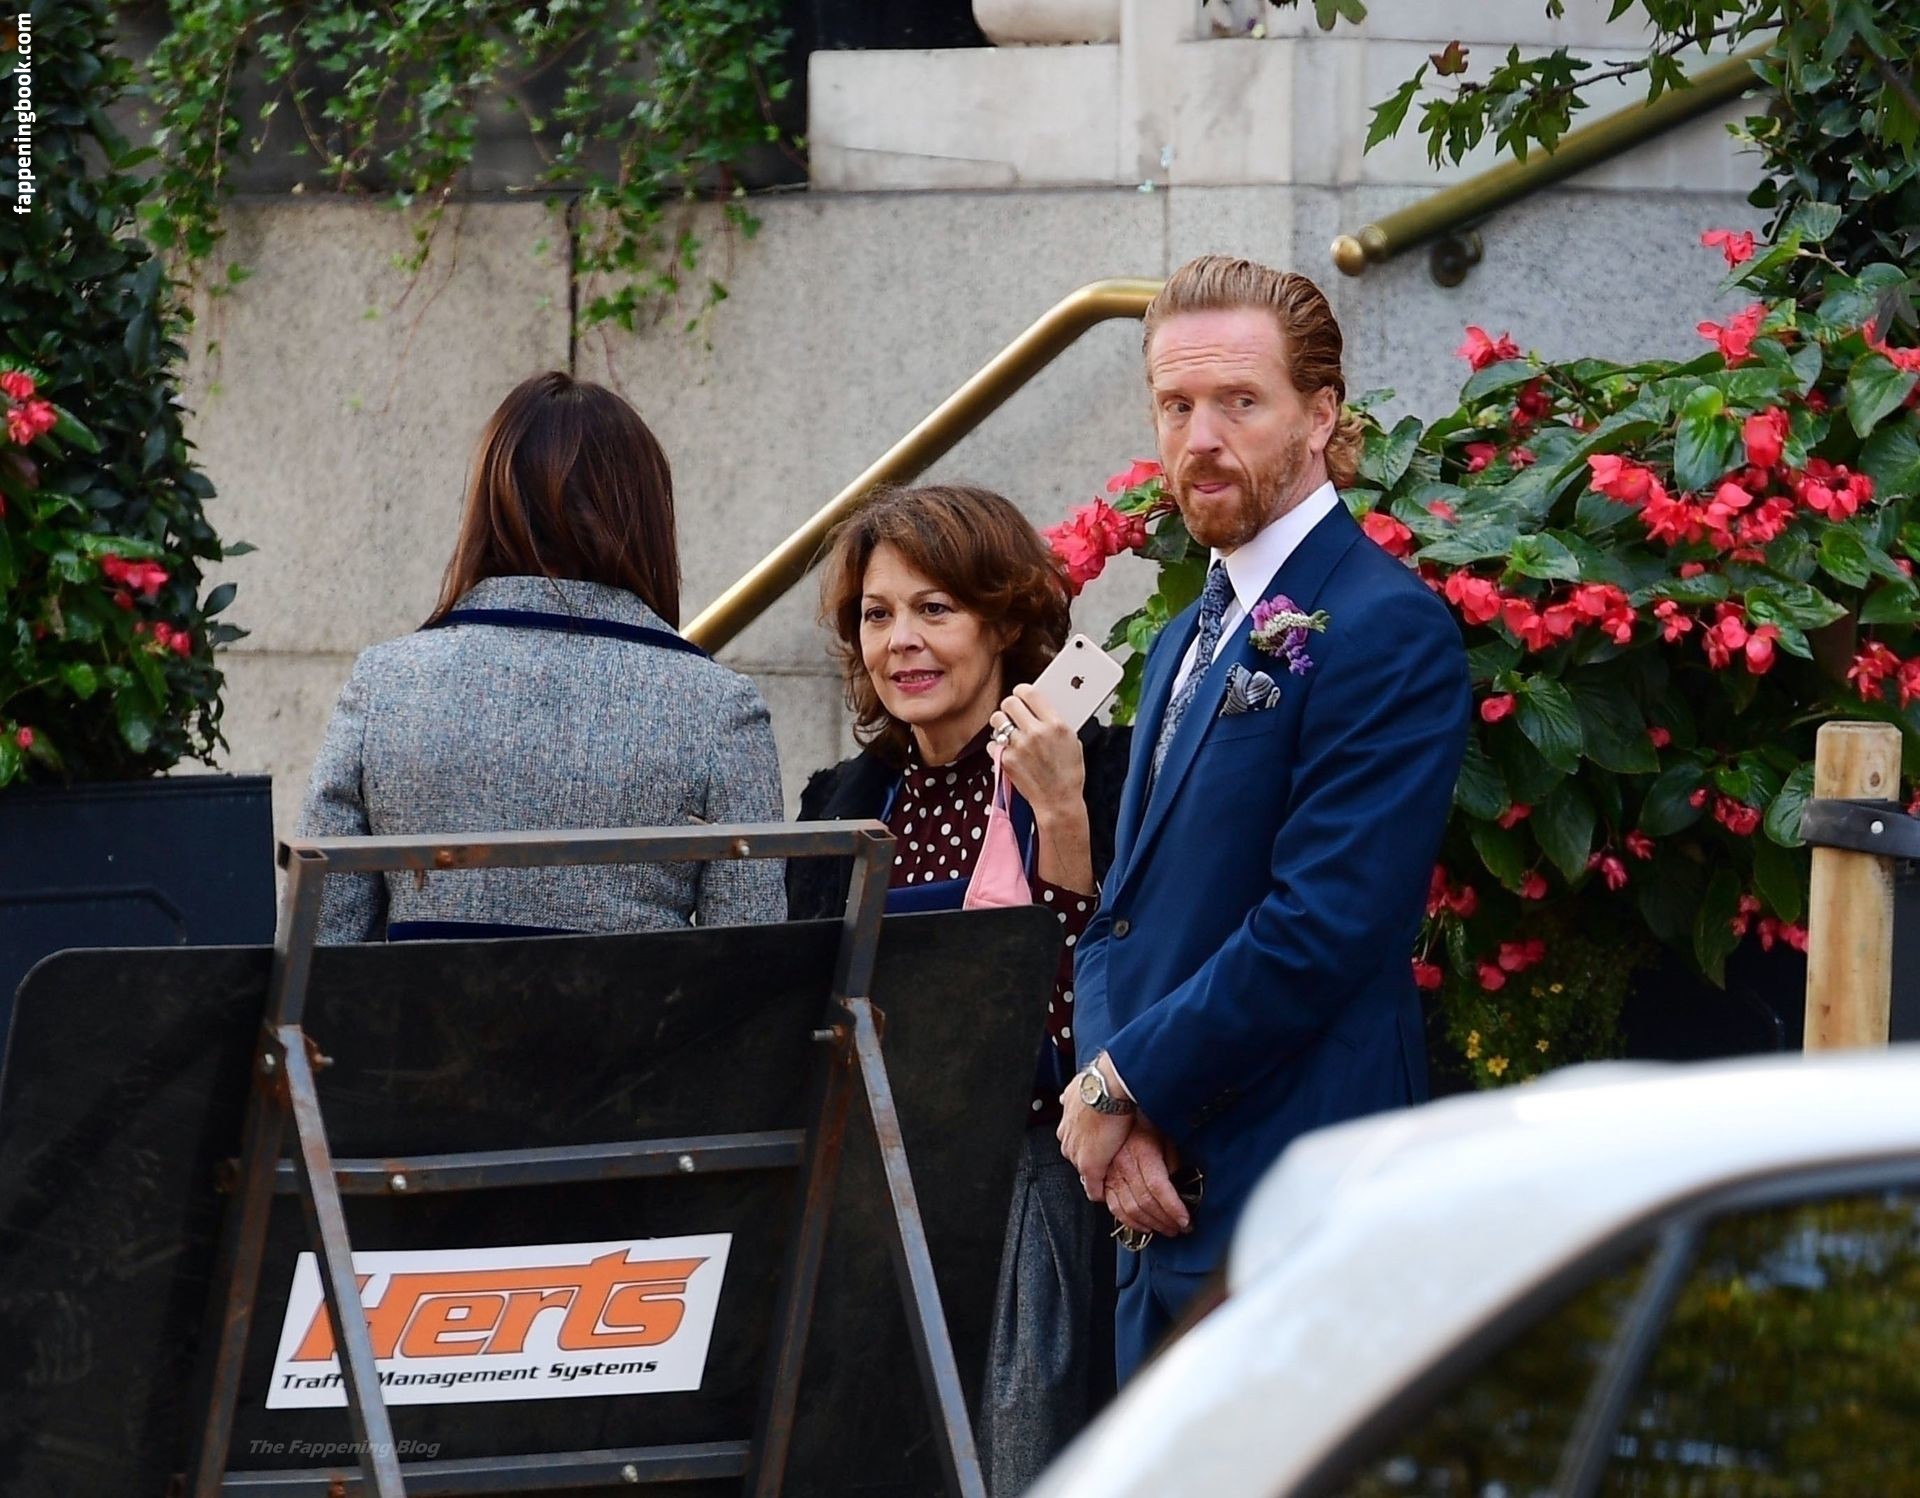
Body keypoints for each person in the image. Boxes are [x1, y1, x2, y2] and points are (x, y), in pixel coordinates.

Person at [1058, 256, 1471, 1381]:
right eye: (1175, 405)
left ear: (1321, 414)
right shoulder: (1183, 634)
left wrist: (1122, 1086)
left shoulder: (1386, 626)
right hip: (1158, 1204)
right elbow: (1124, 914)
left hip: (1300, 1195)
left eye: (1240, 401)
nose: (1199, 438)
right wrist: (1115, 1108)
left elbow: (1324, 923)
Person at [786, 483, 1129, 1496]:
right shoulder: (843, 801)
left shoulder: (1102, 772)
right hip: (871, 1202)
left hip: (1029, 1189)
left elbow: (1099, 991)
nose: (901, 640)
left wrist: (1059, 813)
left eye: (934, 608)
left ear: (1004, 621)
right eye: (877, 614)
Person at [298, 370, 786, 943]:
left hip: (422, 1004)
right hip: (632, 1004)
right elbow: (749, 960)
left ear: (487, 504)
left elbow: (319, 945)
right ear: (646, 513)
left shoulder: (385, 686)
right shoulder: (719, 708)